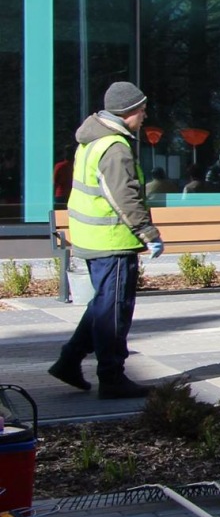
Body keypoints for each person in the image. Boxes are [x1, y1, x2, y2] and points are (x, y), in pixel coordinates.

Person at [50, 81, 164, 400]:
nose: (144, 115)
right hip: (111, 239)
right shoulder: (114, 147)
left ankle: (70, 360)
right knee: (115, 309)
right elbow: (124, 198)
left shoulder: (93, 141)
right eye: (142, 110)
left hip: (94, 236)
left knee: (103, 304)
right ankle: (112, 377)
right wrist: (149, 234)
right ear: (129, 111)